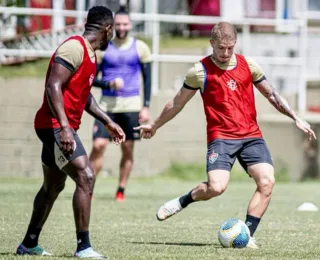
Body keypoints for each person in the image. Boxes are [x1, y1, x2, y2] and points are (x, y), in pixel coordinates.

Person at [135, 22, 317, 249]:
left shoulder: (248, 65)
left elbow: (272, 95)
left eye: (230, 48)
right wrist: (155, 125)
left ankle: (246, 235)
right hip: (221, 137)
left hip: (251, 135)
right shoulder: (199, 71)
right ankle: (182, 201)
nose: (225, 53)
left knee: (267, 182)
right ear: (211, 43)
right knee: (216, 187)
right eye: (221, 48)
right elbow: (176, 103)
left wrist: (295, 117)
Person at [16, 6, 125, 258]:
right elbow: (52, 85)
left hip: (57, 127)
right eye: (113, 30)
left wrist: (108, 121)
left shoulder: (91, 55)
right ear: (107, 29)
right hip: (54, 126)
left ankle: (29, 243)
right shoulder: (73, 48)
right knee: (86, 177)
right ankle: (84, 247)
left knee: (52, 186)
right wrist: (65, 127)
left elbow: (85, 98)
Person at [89, 6, 152, 202]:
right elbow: (91, 79)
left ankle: (120, 190)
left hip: (132, 107)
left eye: (125, 24)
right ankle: (88, 187)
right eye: (118, 24)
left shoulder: (141, 47)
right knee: (98, 145)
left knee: (127, 148)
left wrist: (145, 106)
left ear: (130, 25)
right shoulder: (103, 48)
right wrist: (109, 83)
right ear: (111, 26)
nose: (122, 27)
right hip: (106, 106)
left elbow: (147, 79)